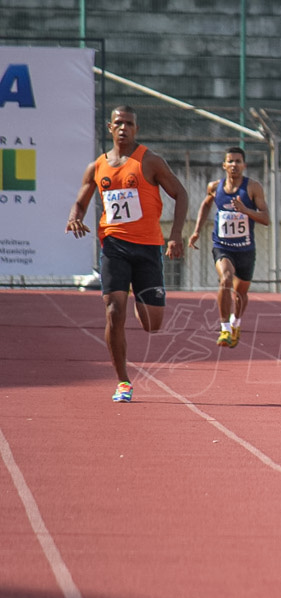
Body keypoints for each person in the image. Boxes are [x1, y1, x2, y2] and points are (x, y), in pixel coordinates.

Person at [66, 105, 189, 403]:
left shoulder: (150, 161)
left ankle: (139, 296)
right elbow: (81, 202)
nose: (124, 128)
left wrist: (175, 236)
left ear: (137, 129)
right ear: (110, 127)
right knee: (113, 311)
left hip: (147, 248)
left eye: (129, 124)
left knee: (152, 324)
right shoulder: (97, 167)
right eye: (118, 123)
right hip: (114, 245)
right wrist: (75, 216)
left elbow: (181, 194)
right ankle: (123, 381)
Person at [188, 146, 269, 347]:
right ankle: (224, 329)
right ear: (224, 165)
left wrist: (245, 210)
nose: (234, 165)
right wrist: (197, 230)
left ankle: (236, 322)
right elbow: (206, 204)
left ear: (244, 165)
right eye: (230, 161)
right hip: (222, 246)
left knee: (240, 294)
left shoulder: (253, 188)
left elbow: (266, 218)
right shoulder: (215, 187)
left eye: (238, 161)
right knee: (225, 278)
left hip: (245, 249)